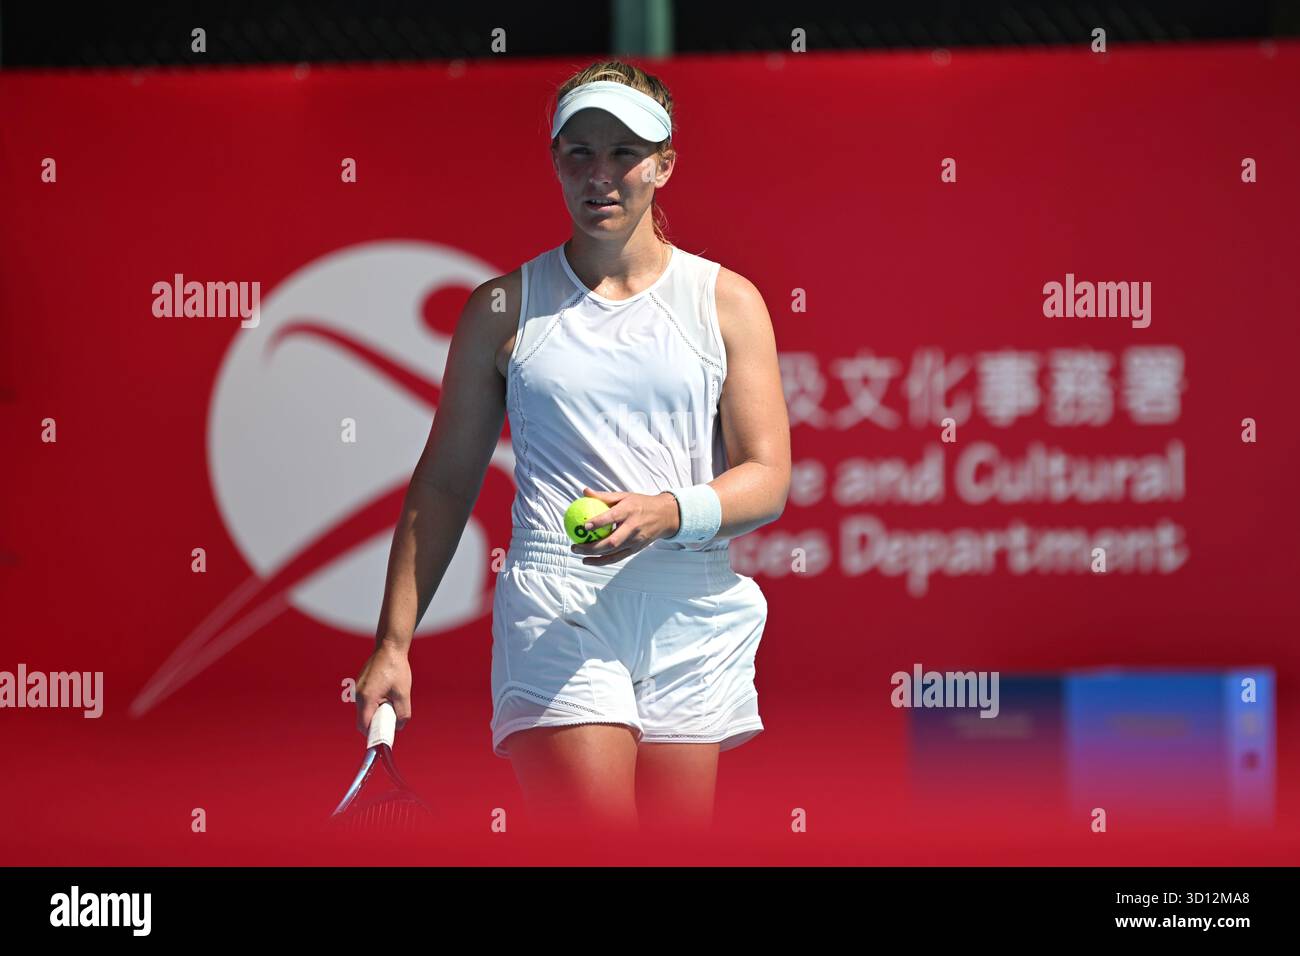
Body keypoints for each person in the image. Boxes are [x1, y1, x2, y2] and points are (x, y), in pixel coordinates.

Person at [354, 59, 790, 836]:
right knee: (599, 843)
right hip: (557, 606)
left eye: (625, 153)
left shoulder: (728, 303)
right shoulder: (500, 308)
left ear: (664, 164)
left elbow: (767, 479)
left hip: (690, 604)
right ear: (555, 161)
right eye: (579, 152)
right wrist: (394, 641)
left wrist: (667, 512)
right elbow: (447, 482)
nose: (601, 175)